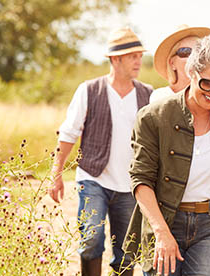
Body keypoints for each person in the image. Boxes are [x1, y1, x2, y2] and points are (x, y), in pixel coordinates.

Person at [123, 35, 210, 276]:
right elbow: (141, 179)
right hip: (165, 219)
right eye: (207, 83)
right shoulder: (154, 117)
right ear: (192, 72)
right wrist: (161, 232)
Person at [49, 27, 153, 276]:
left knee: (127, 250)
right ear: (115, 59)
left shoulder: (148, 94)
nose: (139, 61)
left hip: (130, 185)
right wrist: (56, 172)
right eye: (132, 56)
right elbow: (69, 133)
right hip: (93, 178)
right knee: (91, 239)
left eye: (140, 55)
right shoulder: (89, 90)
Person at [149, 25, 210, 102]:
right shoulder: (161, 96)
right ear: (172, 63)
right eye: (186, 52)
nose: (193, 58)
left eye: (198, 51)